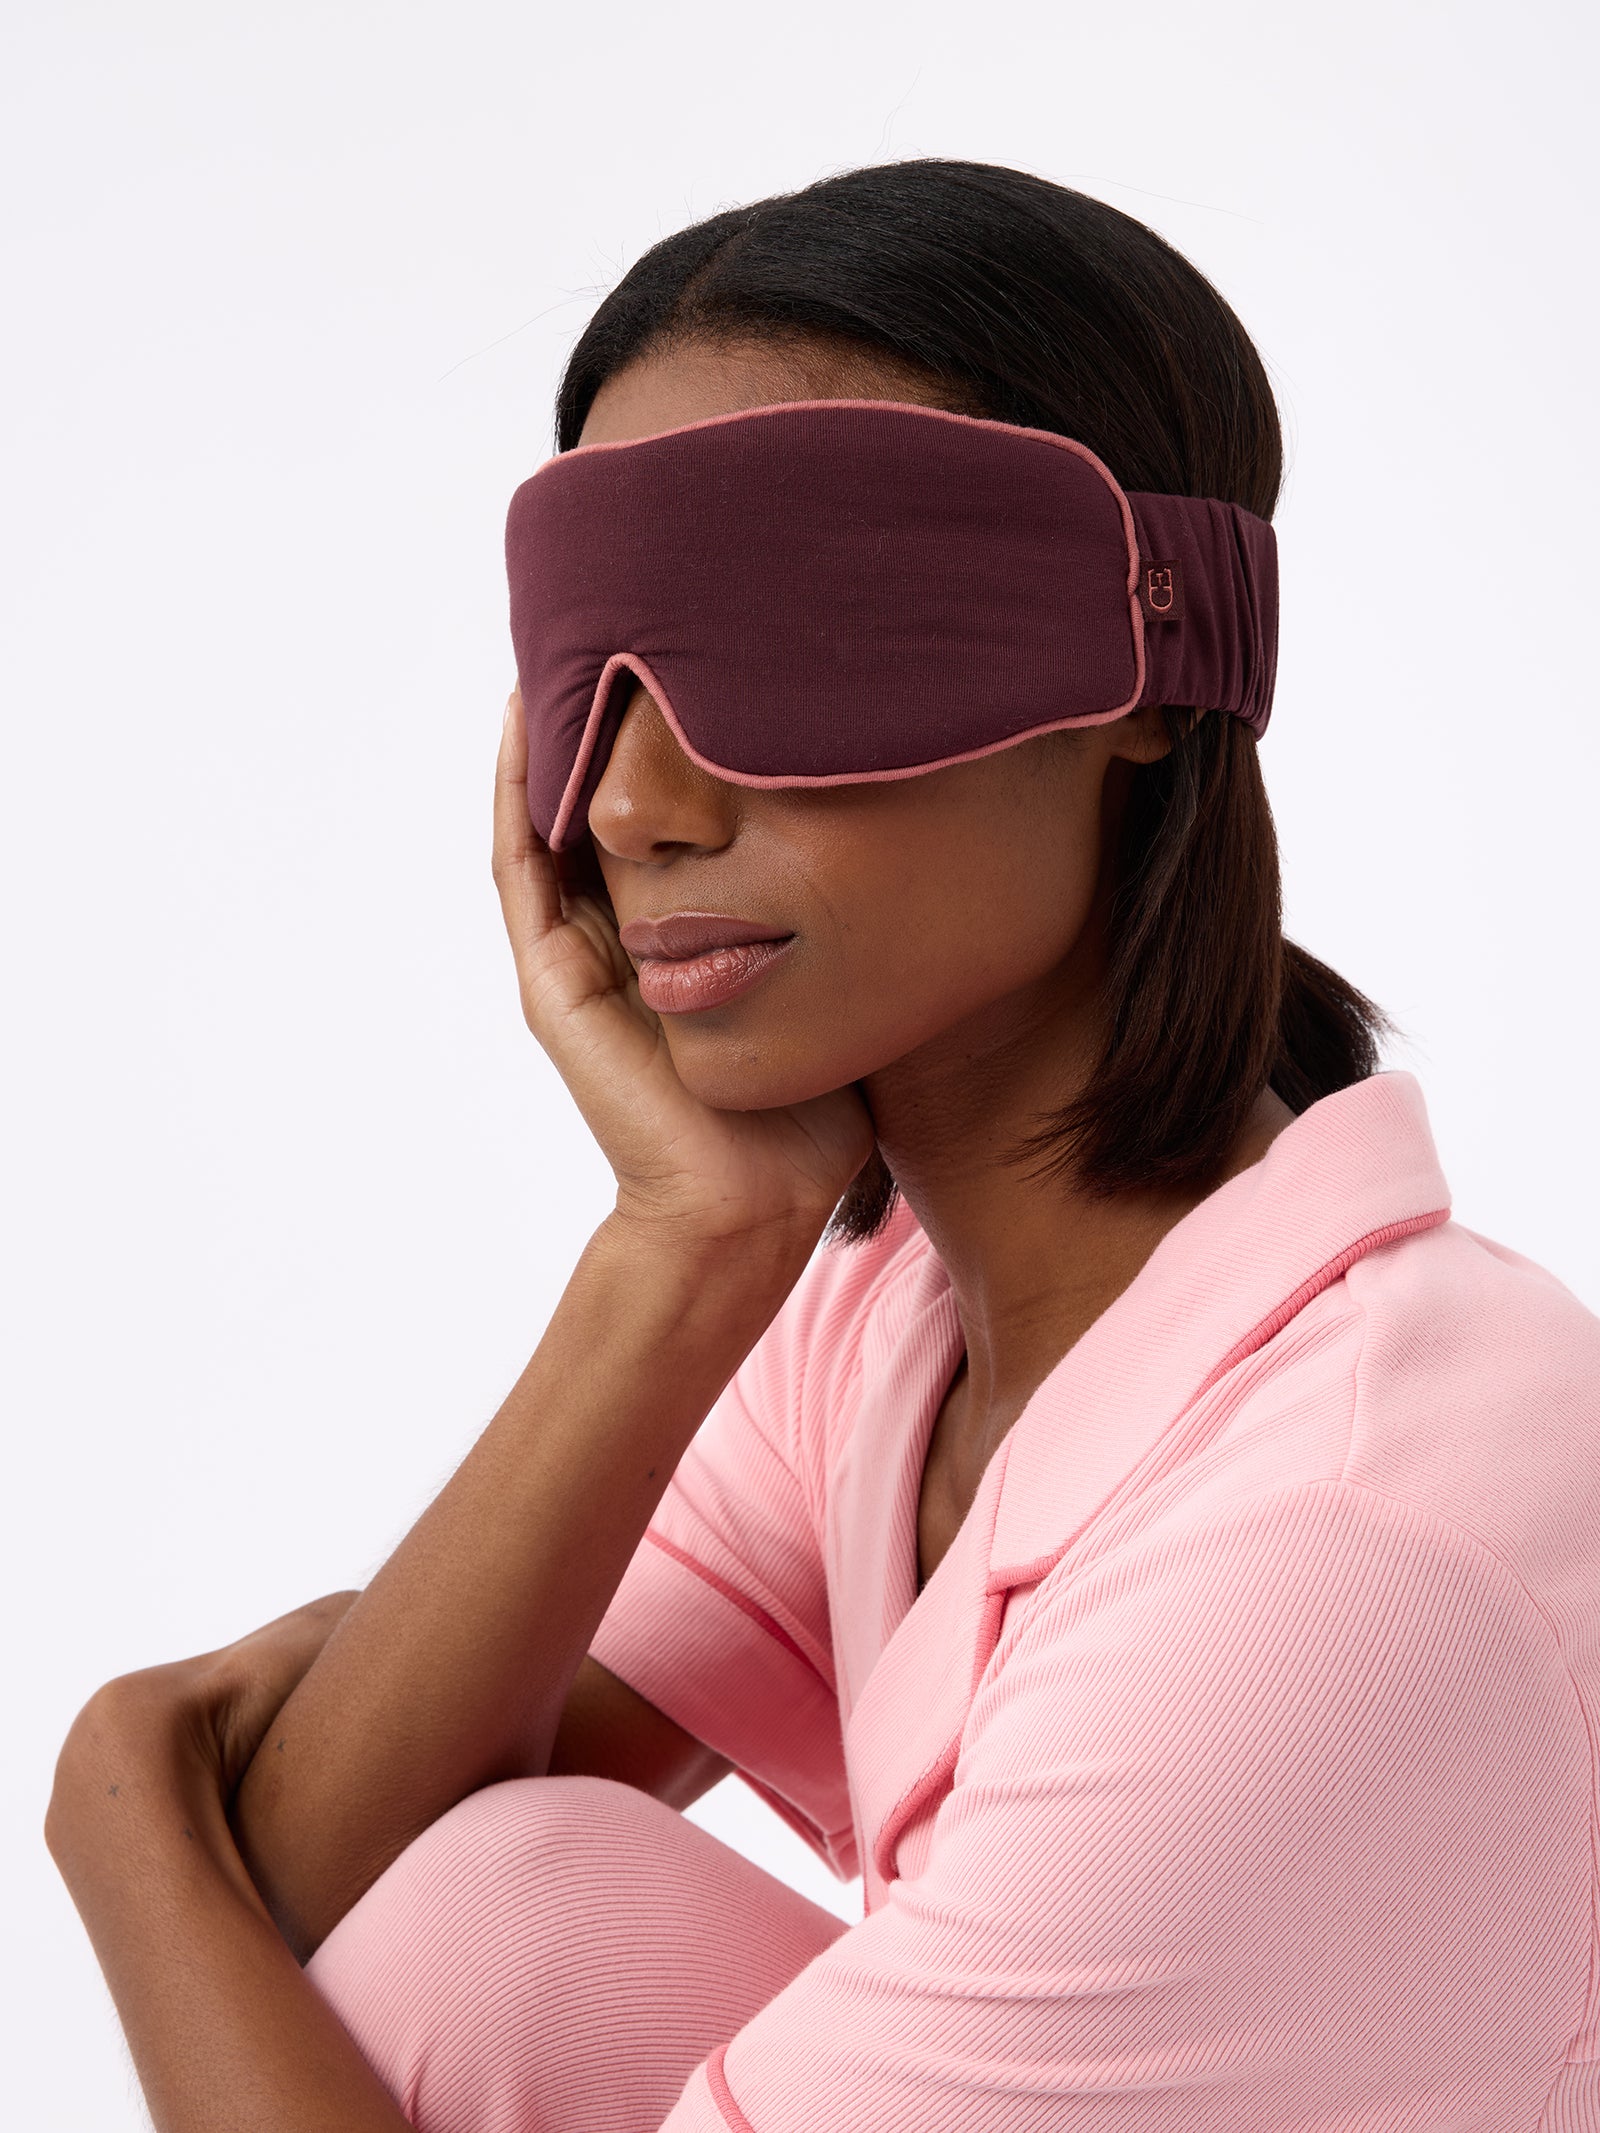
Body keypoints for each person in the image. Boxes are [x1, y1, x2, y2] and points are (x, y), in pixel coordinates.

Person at [45, 159, 1600, 2133]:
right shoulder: (908, 1323)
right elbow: (322, 1895)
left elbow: (214, 1902)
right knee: (493, 1920)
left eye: (780, 632)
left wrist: (117, 1798)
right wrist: (682, 1246)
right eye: (590, 672)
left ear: (1143, 662)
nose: (624, 801)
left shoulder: (1330, 1542)